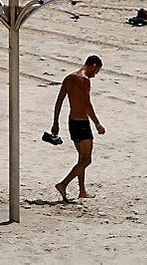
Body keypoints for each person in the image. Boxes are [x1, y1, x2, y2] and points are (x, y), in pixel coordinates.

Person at [52, 55, 105, 202]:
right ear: (93, 66)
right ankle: (63, 184)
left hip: (71, 122)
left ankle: (82, 190)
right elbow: (87, 105)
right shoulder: (84, 80)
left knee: (81, 158)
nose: (94, 75)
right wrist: (97, 123)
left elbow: (59, 101)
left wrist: (55, 122)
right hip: (82, 123)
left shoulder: (69, 78)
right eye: (96, 71)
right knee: (87, 160)